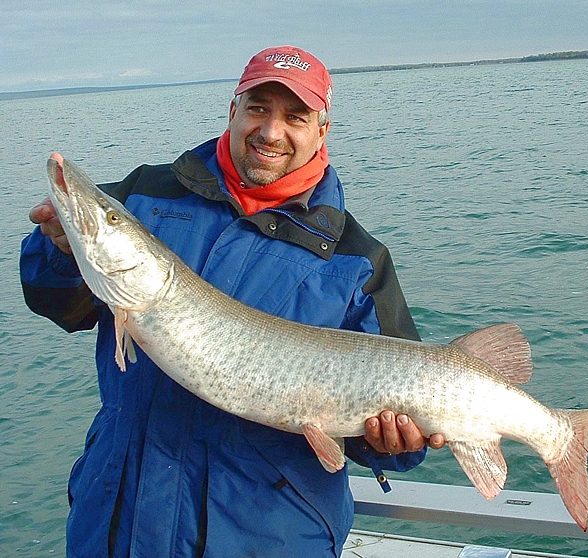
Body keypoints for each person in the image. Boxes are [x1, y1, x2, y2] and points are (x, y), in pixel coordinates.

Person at [20, 46, 444, 557]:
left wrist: (392, 441)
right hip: (118, 520)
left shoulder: (357, 262)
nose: (270, 131)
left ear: (321, 131)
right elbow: (57, 303)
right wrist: (61, 249)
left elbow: (396, 448)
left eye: (295, 116)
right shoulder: (147, 195)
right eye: (258, 108)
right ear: (233, 110)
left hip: (263, 536)